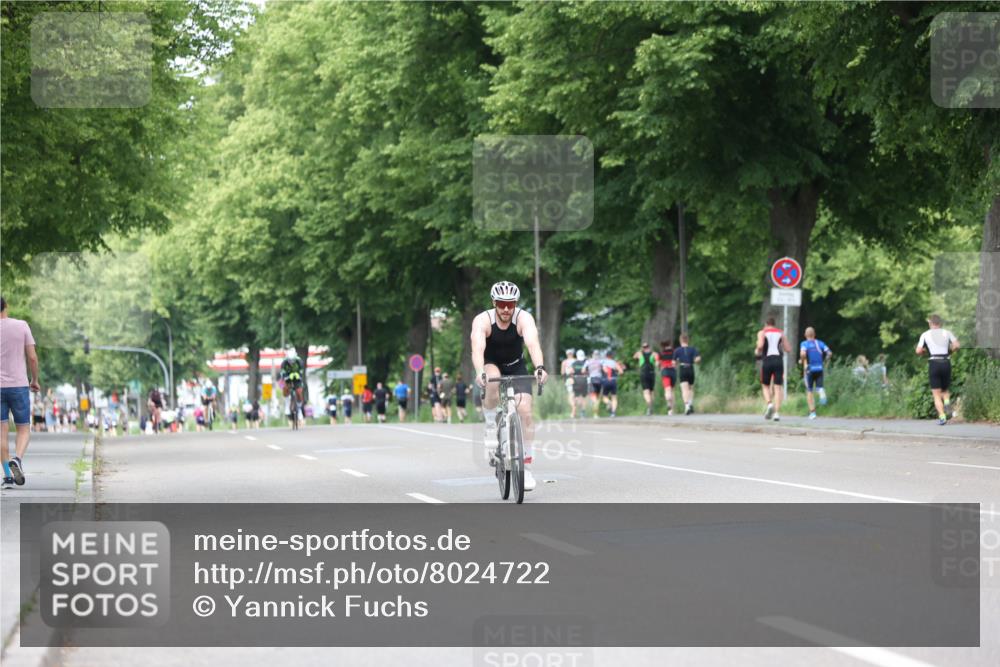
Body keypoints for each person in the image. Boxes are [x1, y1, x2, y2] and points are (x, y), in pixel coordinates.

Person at [471, 281, 547, 492]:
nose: (506, 309)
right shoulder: (482, 320)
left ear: (515, 303)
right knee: (492, 378)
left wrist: (539, 367)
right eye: (502, 304)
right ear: (494, 302)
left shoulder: (523, 318)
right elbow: (477, 349)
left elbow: (532, 344)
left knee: (525, 411)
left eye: (510, 304)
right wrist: (480, 373)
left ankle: (527, 467)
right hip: (491, 363)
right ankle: (490, 427)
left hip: (516, 366)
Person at [1, 296, 40, 488]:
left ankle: (7, 476)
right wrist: (34, 380)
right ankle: (17, 459)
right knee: (24, 428)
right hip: (19, 385)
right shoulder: (21, 325)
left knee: (1, 431)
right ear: (5, 306)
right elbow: (32, 358)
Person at [916, 314, 960, 425]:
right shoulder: (947, 332)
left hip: (934, 363)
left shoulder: (925, 334)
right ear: (940, 323)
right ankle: (947, 402)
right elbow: (957, 345)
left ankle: (942, 417)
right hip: (946, 362)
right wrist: (950, 351)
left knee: (936, 393)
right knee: (945, 390)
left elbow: (918, 351)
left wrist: (925, 352)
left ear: (930, 323)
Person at [755, 316, 791, 421]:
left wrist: (757, 349)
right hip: (779, 361)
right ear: (774, 324)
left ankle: (770, 404)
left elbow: (761, 346)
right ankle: (776, 413)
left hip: (767, 360)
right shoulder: (781, 332)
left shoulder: (762, 332)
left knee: (765, 385)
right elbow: (788, 349)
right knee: (777, 387)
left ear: (766, 324)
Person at [799, 327, 832, 420]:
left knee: (809, 391)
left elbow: (803, 354)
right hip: (820, 369)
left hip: (809, 370)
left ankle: (812, 413)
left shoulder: (804, 343)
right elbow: (829, 353)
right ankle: (821, 391)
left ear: (805, 335)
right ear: (814, 334)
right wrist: (825, 360)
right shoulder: (820, 343)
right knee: (819, 387)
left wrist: (801, 360)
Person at [674, 334, 702, 415]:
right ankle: (690, 404)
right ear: (688, 340)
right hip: (690, 368)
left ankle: (687, 407)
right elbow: (698, 358)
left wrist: (677, 363)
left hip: (682, 368)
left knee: (684, 389)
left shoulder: (677, 350)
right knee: (691, 388)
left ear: (680, 340)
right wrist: (695, 361)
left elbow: (673, 362)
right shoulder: (693, 349)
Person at [280, 349, 305, 427]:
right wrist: (286, 377)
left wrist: (299, 375)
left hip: (297, 377)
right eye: (290, 361)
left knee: (299, 392)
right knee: (285, 388)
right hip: (288, 376)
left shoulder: (299, 361)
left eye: (293, 360)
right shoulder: (284, 363)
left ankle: (299, 408)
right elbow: (282, 373)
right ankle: (287, 405)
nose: (291, 362)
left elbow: (301, 371)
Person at [633, 342, 659, 416]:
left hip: (643, 373)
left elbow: (634, 357)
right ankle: (651, 407)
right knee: (651, 391)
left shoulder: (639, 353)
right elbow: (657, 362)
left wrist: (640, 351)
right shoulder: (654, 353)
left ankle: (649, 405)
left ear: (643, 348)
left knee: (646, 391)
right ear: (649, 347)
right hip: (651, 373)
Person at [601, 351, 625, 417]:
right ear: (612, 356)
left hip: (605, 380)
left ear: (606, 356)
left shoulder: (603, 362)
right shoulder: (614, 363)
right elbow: (621, 372)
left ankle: (609, 403)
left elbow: (602, 369)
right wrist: (616, 374)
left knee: (604, 397)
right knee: (614, 397)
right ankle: (613, 413)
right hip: (613, 380)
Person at [585, 350, 605, 418]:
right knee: (597, 398)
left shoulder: (588, 361)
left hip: (592, 379)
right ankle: (595, 414)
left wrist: (588, 372)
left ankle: (595, 413)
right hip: (599, 380)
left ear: (592, 355)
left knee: (594, 398)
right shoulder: (601, 361)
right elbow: (605, 369)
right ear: (598, 355)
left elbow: (583, 370)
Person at [659, 340, 677, 415]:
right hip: (673, 371)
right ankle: (672, 409)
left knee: (667, 389)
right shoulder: (674, 352)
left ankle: (669, 406)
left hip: (665, 371)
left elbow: (658, 363)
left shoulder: (661, 353)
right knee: (672, 390)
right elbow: (675, 362)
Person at [571, 349, 589, 418]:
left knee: (576, 397)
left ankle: (575, 411)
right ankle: (582, 412)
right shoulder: (586, 363)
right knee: (584, 398)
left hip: (576, 380)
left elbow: (571, 372)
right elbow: (587, 372)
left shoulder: (574, 363)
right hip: (584, 380)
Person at [561, 349, 577, 417]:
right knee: (574, 396)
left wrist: (563, 380)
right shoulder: (576, 361)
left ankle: (573, 411)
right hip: (577, 380)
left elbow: (562, 372)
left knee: (570, 397)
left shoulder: (565, 362)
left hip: (569, 379)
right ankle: (574, 411)